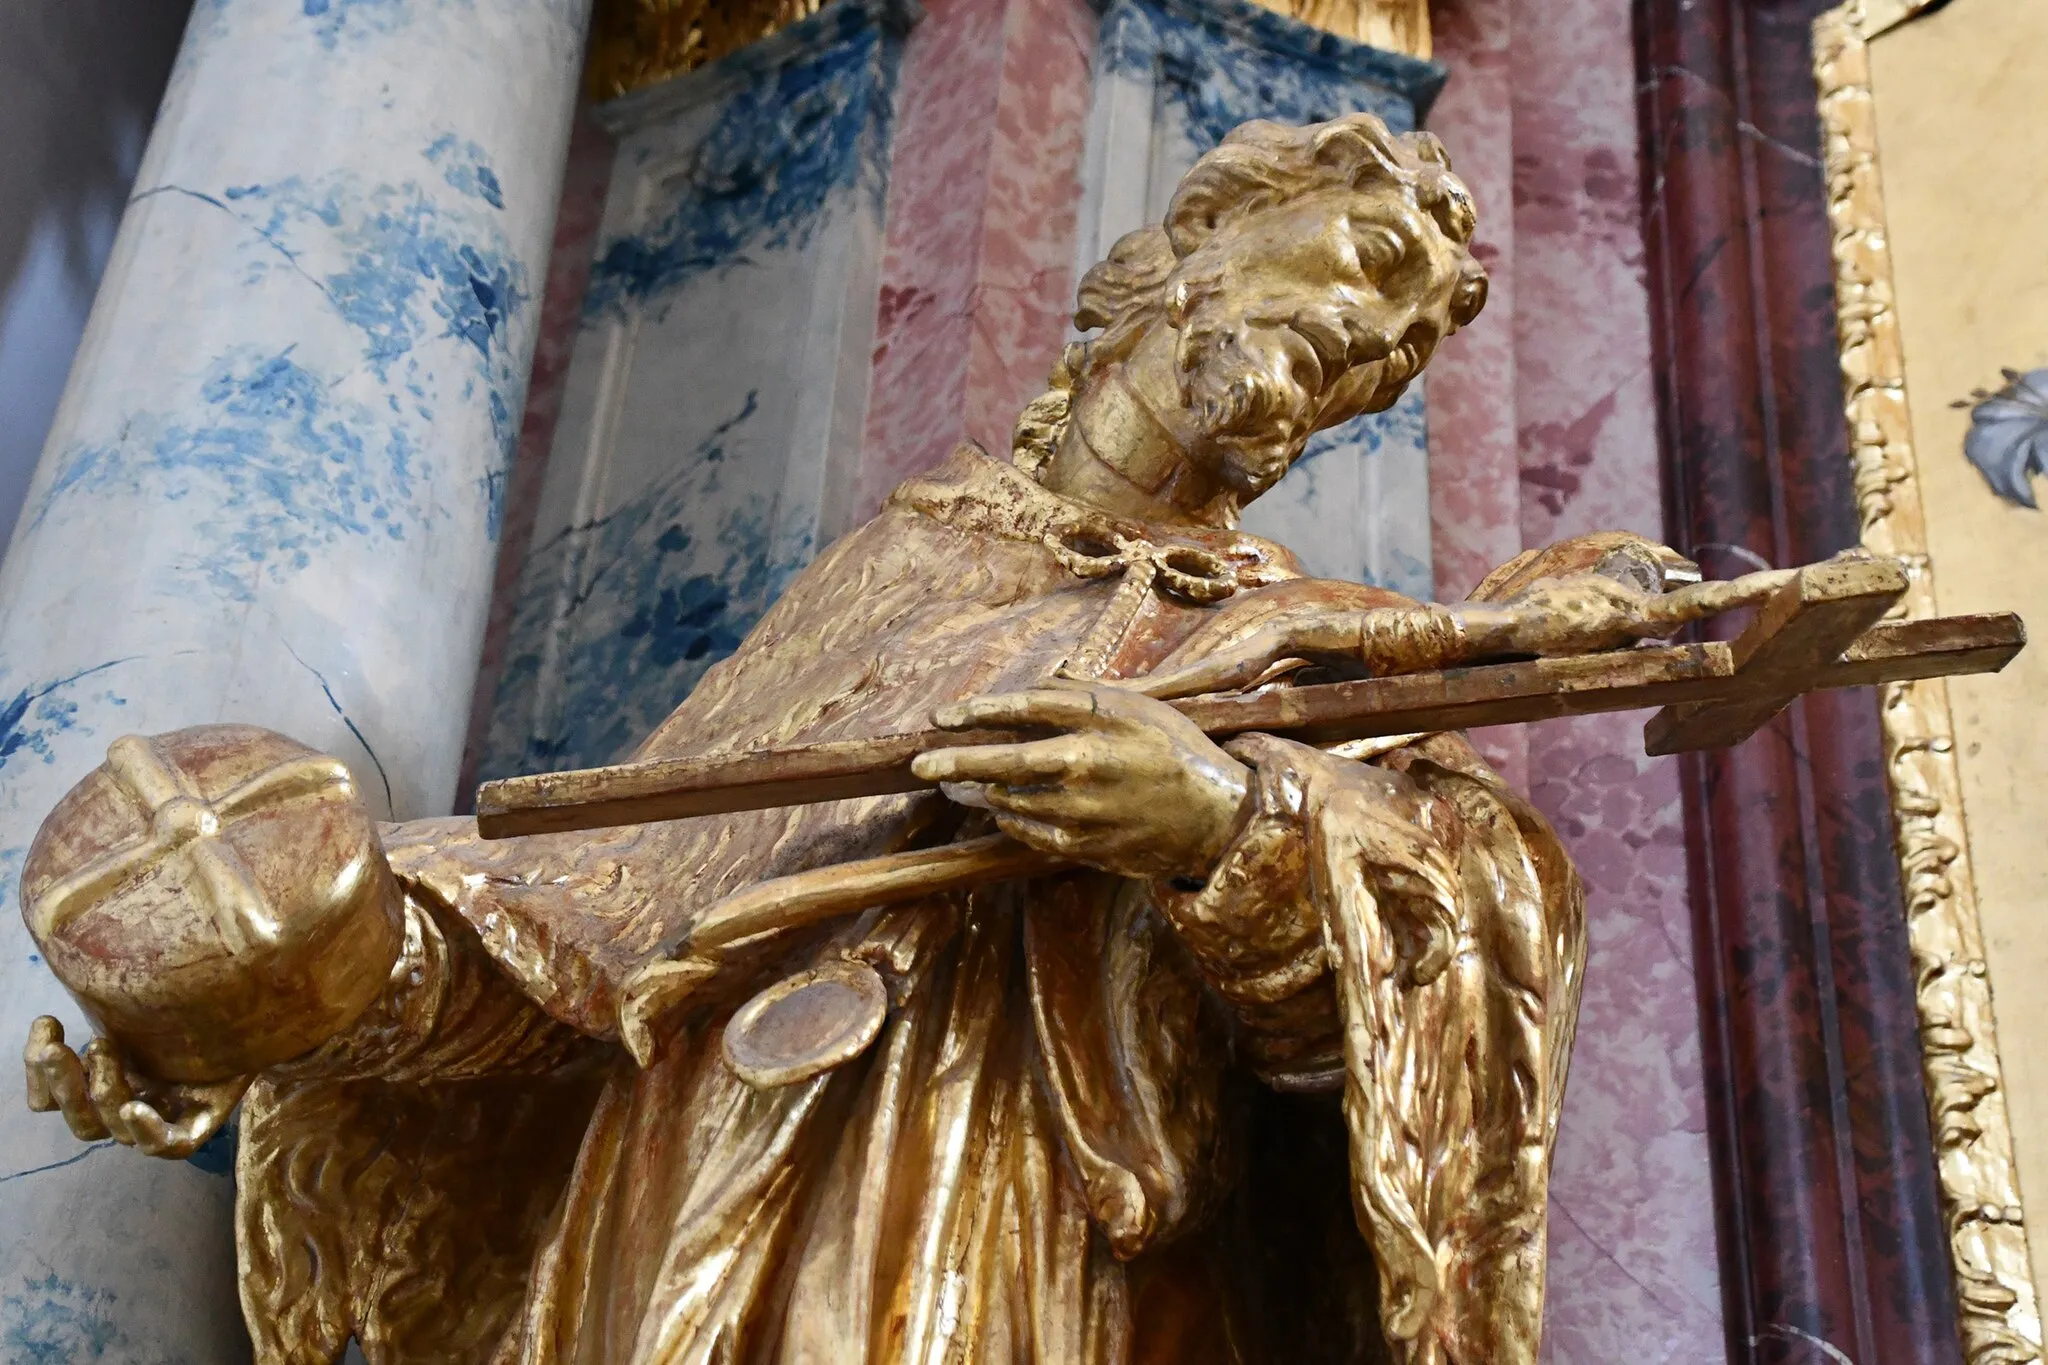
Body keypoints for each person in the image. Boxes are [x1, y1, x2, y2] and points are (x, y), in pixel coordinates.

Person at [25, 113, 1618, 1364]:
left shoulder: (1319, 654)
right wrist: (314, 978)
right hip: (695, 1182)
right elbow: (613, 909)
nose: (1365, 335)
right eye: (1353, 262)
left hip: (1012, 1214)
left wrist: (1218, 828)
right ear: (1201, 240)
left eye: (1400, 338)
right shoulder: (904, 562)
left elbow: (1443, 957)